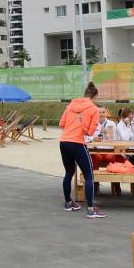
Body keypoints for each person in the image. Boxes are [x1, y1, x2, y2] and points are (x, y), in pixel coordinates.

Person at [59, 82, 106, 218]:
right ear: (94, 96)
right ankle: (91, 209)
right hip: (78, 142)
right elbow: (90, 132)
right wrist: (83, 128)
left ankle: (68, 202)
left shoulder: (70, 106)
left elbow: (62, 123)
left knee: (69, 172)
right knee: (89, 174)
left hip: (64, 142)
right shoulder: (93, 109)